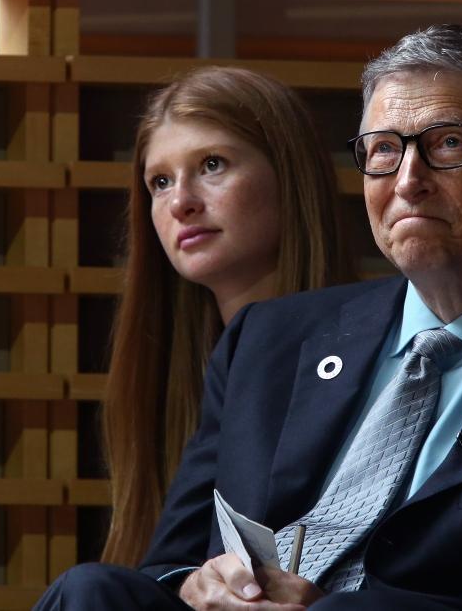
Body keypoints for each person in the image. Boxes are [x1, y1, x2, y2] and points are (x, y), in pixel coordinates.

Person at [36, 24, 462, 610]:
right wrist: (196, 583)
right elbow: (167, 568)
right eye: (384, 150)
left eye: (447, 144)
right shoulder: (268, 338)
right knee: (89, 589)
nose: (407, 179)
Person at [99, 66, 356, 567]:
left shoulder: (389, 353)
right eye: (160, 182)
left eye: (212, 164)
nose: (181, 203)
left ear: (290, 175)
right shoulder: (162, 382)